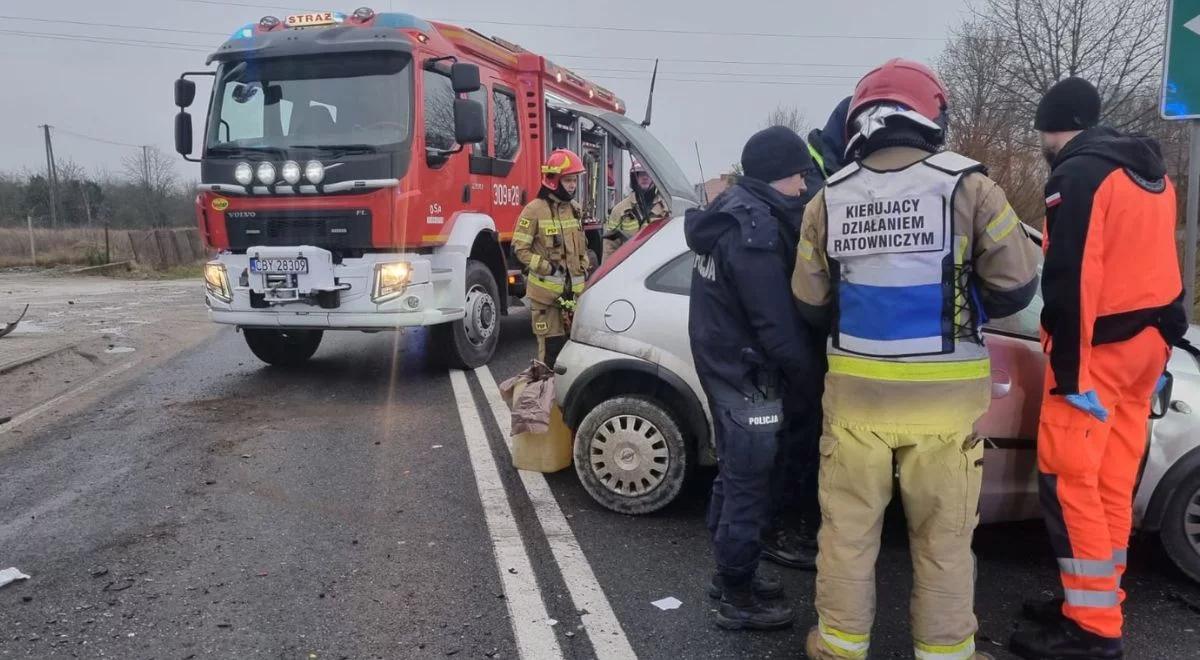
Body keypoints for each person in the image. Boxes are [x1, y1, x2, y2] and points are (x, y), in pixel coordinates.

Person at [792, 58, 1041, 660]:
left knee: (847, 535)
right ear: (932, 115)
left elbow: (808, 300)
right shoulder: (971, 186)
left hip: (856, 401)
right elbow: (1015, 287)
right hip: (943, 408)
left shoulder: (829, 198)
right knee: (944, 540)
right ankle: (946, 653)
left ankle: (839, 647)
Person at [1008, 77, 1187, 660]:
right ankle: (1096, 601)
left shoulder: (1078, 174)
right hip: (1143, 352)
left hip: (1095, 358)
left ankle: (1091, 631)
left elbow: (1069, 280)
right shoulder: (1154, 177)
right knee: (1112, 483)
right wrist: (1165, 347)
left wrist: (1069, 373)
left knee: (1071, 486)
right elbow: (1167, 265)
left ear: (1050, 126)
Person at [685, 125, 819, 631]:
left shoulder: (727, 214)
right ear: (773, 177)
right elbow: (777, 327)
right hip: (751, 377)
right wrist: (812, 384)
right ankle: (736, 595)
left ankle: (729, 574)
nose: (804, 188)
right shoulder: (754, 232)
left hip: (725, 369)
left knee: (733, 476)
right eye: (797, 177)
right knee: (749, 486)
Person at [761, 96, 855, 572]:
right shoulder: (817, 184)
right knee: (797, 441)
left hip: (803, 337)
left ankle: (789, 521)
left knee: (802, 438)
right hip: (797, 338)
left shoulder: (828, 174)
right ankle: (783, 528)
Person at [512, 148, 590, 367]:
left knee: (574, 355)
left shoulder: (575, 209)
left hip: (573, 298)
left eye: (574, 180)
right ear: (554, 180)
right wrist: (547, 268)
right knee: (551, 355)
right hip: (546, 299)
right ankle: (545, 399)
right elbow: (519, 249)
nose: (573, 185)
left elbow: (581, 247)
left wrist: (584, 265)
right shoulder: (534, 210)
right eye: (568, 180)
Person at [601, 157, 671, 260]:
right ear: (634, 178)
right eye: (640, 174)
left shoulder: (666, 210)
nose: (645, 177)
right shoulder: (619, 210)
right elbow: (609, 248)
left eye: (648, 174)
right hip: (628, 268)